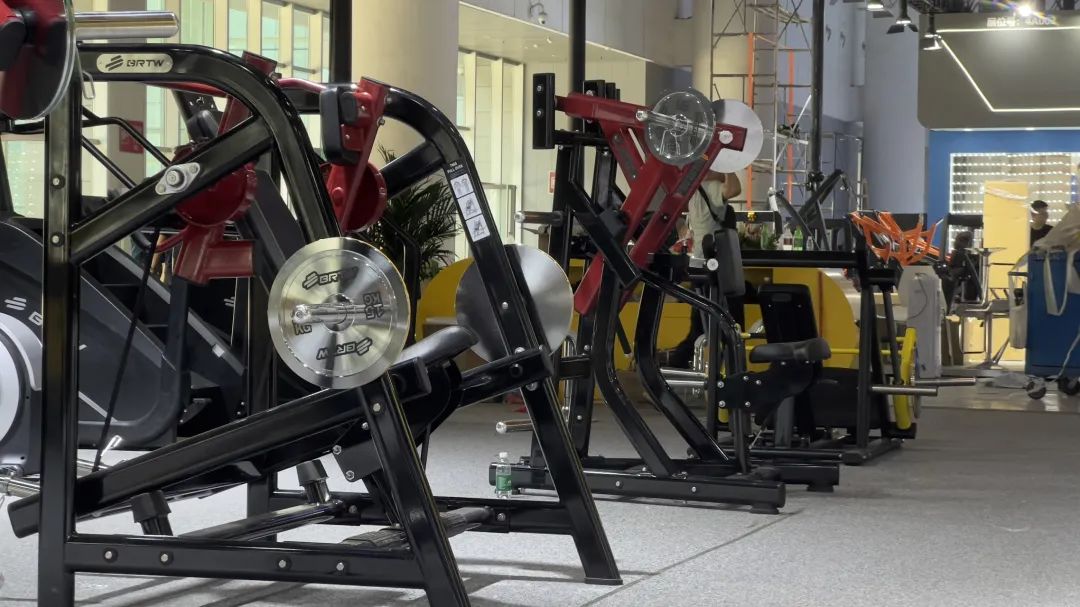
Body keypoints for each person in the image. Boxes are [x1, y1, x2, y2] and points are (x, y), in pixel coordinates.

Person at [668, 170, 742, 369]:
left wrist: (683, 230)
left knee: (701, 323)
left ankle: (678, 363)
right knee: (727, 324)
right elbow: (734, 188)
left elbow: (672, 211)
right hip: (715, 267)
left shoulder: (694, 190)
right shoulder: (709, 187)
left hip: (700, 264)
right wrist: (728, 169)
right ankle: (730, 369)